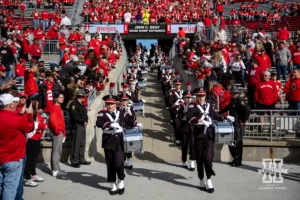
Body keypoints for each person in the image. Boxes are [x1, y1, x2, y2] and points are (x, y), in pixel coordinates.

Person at [187, 89, 224, 193]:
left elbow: (216, 116)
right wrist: (200, 120)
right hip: (199, 136)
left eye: (202, 96)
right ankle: (201, 179)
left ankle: (209, 179)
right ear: (197, 97)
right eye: (199, 96)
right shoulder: (193, 106)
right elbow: (189, 117)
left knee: (208, 158)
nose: (201, 98)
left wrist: (225, 117)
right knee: (200, 159)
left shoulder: (208, 106)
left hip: (209, 136)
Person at [0, 93, 34, 200]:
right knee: (9, 188)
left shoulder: (15, 117)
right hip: (13, 158)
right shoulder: (15, 118)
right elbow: (30, 128)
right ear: (10, 105)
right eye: (14, 103)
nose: (16, 104)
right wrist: (30, 115)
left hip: (3, 157)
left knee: (1, 186)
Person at [96, 95, 128, 195]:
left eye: (112, 104)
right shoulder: (102, 114)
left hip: (119, 141)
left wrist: (135, 124)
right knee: (110, 165)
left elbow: (126, 122)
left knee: (119, 163)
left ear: (115, 104)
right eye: (108, 103)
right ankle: (113, 183)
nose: (110, 106)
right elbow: (99, 123)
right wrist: (109, 124)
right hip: (108, 142)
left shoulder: (120, 113)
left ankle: (121, 180)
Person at [219, 87, 250, 167]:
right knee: (232, 141)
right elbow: (227, 108)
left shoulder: (240, 101)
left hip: (238, 124)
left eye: (234, 93)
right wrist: (218, 113)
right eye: (232, 93)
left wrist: (243, 121)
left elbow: (247, 111)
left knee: (237, 142)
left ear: (238, 93)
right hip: (233, 123)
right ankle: (235, 159)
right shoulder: (233, 101)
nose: (233, 94)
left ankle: (237, 160)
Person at [24, 99, 46, 187]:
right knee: (30, 160)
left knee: (34, 159)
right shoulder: (28, 115)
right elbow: (35, 125)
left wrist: (42, 124)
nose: (38, 107)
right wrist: (42, 125)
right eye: (36, 105)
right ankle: (27, 178)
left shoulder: (35, 115)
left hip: (37, 138)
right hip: (31, 139)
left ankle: (33, 175)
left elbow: (41, 123)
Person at [119, 93, 143, 169]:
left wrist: (131, 115)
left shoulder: (131, 109)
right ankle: (122, 161)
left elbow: (133, 119)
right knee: (121, 146)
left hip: (128, 129)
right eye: (123, 100)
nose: (124, 102)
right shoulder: (118, 109)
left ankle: (129, 161)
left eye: (125, 100)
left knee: (128, 146)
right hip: (119, 129)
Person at [69, 89, 90, 168]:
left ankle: (81, 158)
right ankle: (74, 160)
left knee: (82, 143)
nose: (84, 98)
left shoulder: (81, 104)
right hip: (77, 125)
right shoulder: (74, 104)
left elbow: (85, 114)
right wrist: (82, 121)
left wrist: (86, 120)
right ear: (80, 96)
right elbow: (74, 116)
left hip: (82, 125)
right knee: (76, 143)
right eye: (83, 97)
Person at [48, 93, 67, 177]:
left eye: (63, 97)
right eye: (60, 97)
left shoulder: (58, 107)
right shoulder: (55, 108)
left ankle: (56, 168)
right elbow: (52, 120)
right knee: (57, 151)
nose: (62, 99)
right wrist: (58, 131)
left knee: (56, 151)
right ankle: (55, 170)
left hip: (59, 132)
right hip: (57, 132)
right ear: (56, 98)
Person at [178, 90, 195, 170]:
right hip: (184, 126)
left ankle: (192, 161)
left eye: (189, 98)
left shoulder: (194, 106)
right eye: (186, 98)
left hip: (192, 127)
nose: (188, 99)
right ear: (184, 99)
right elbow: (179, 116)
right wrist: (184, 111)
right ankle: (184, 161)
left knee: (192, 145)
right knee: (184, 145)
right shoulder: (182, 106)